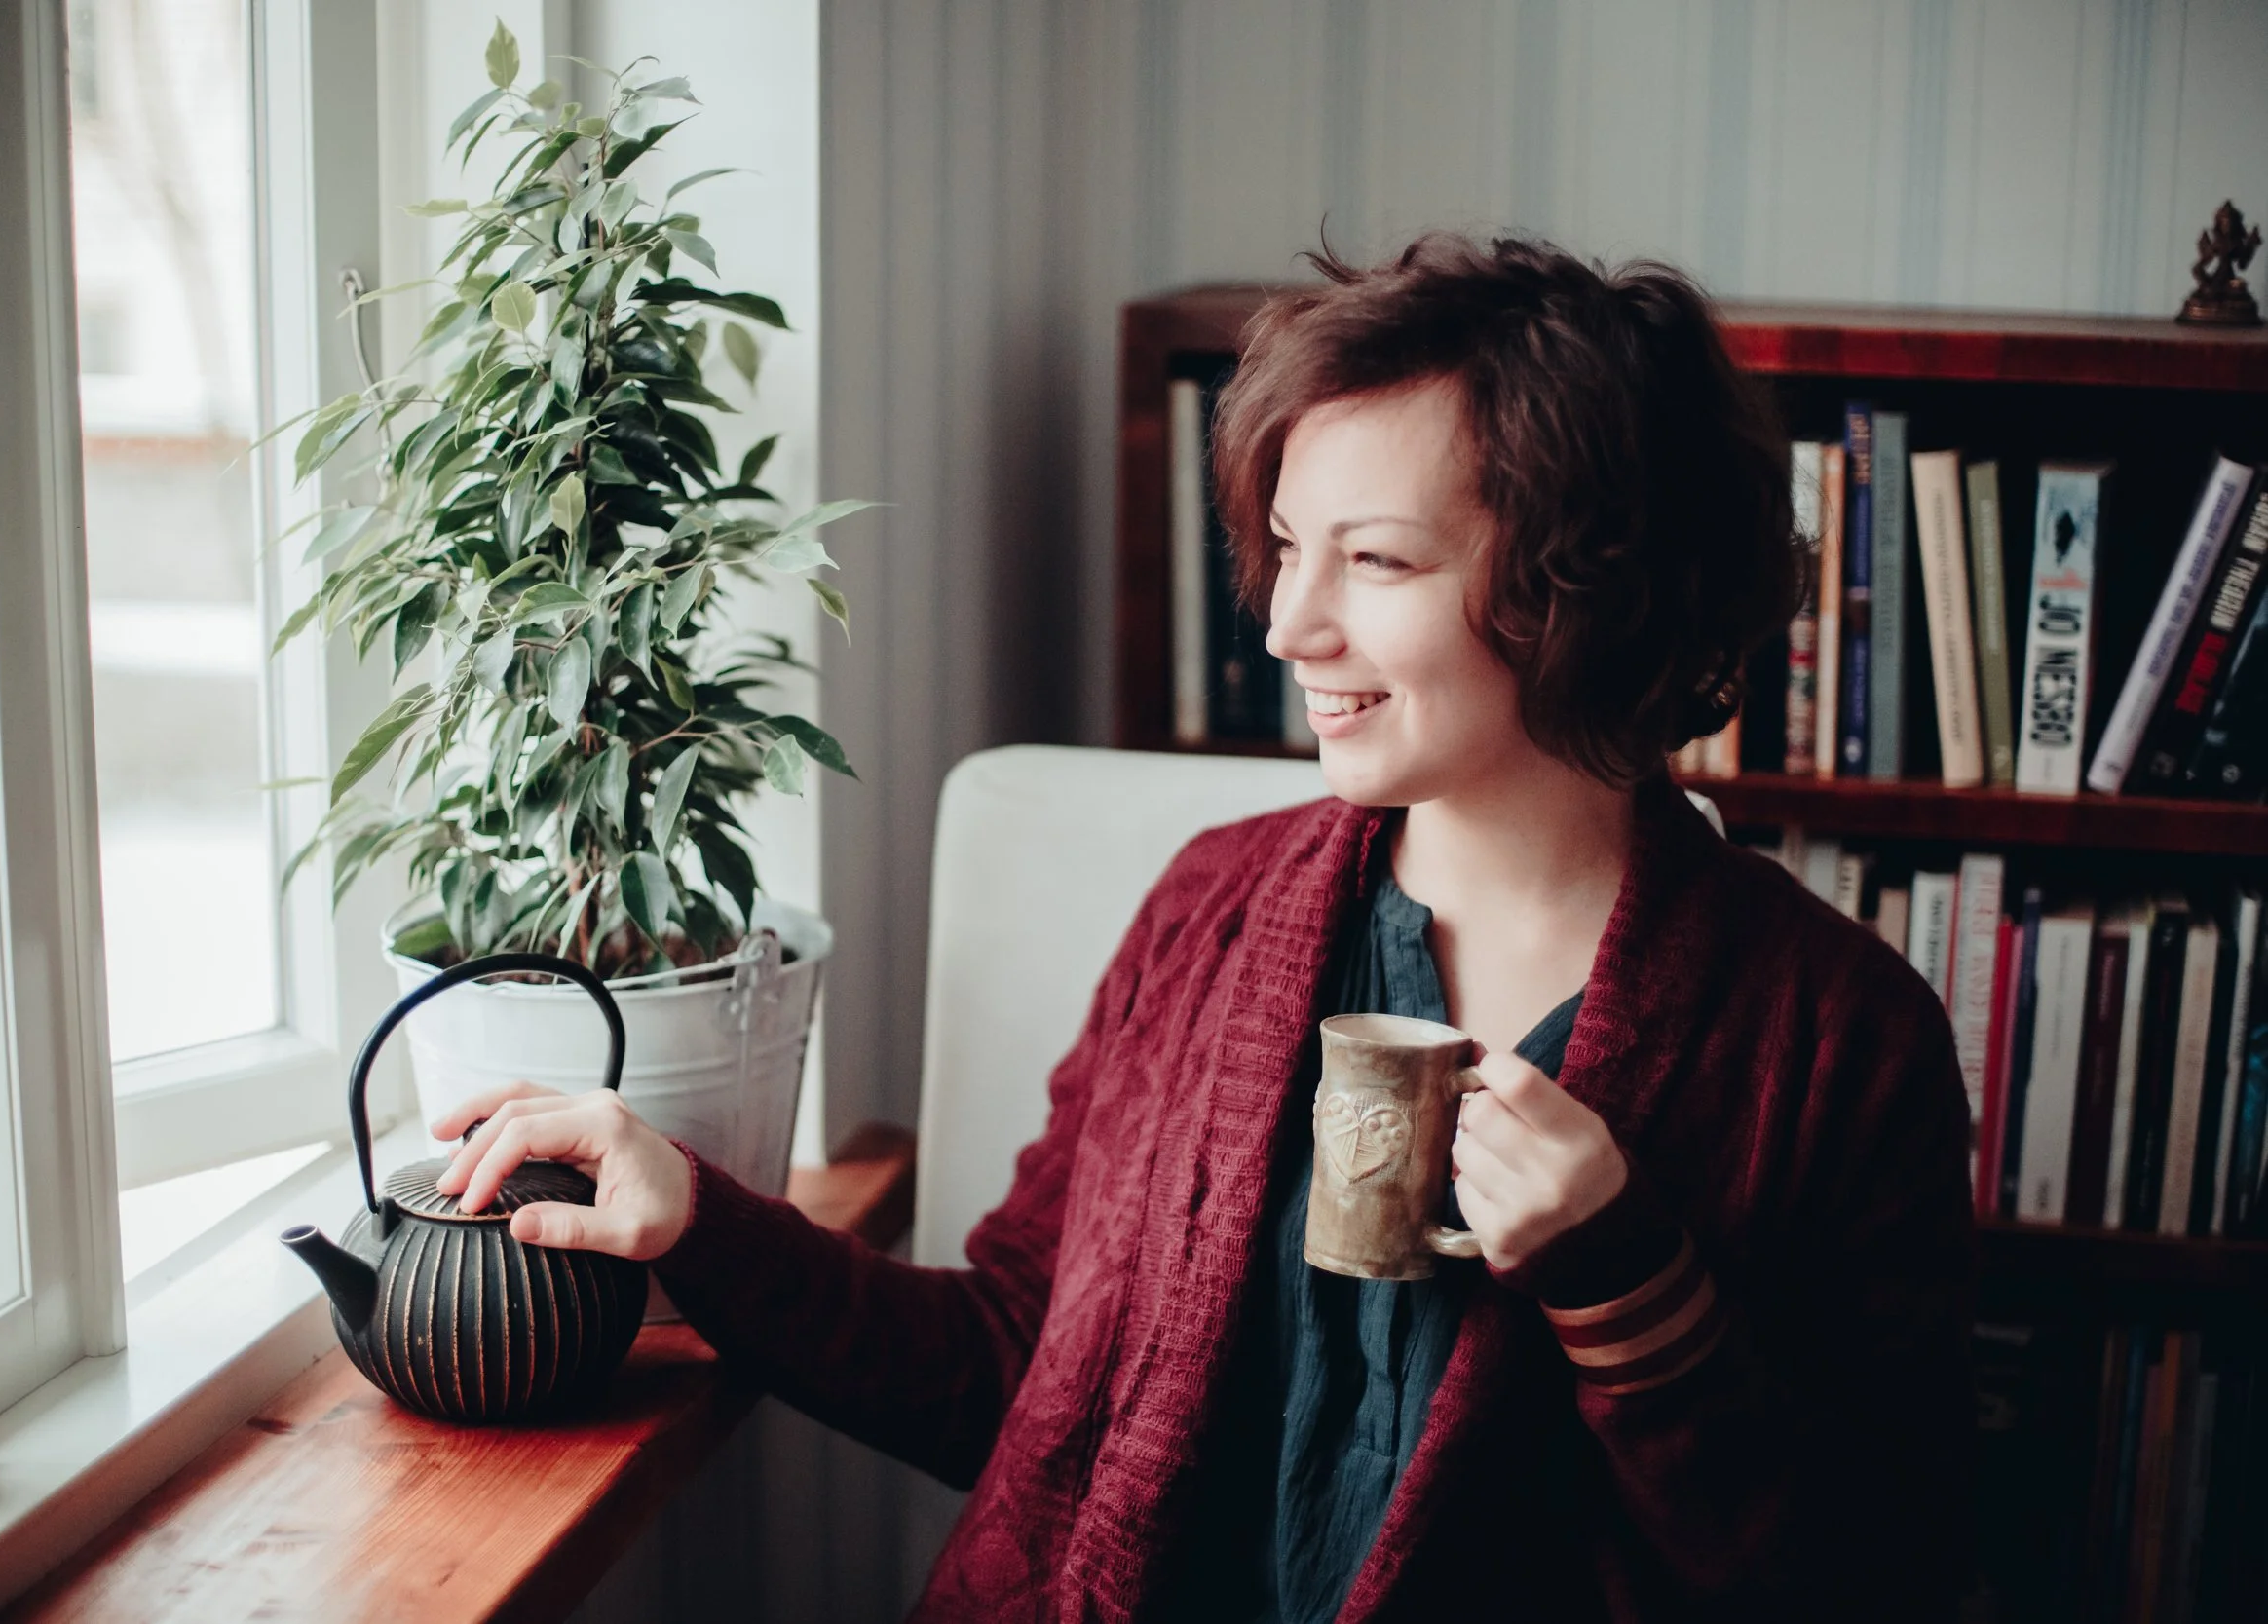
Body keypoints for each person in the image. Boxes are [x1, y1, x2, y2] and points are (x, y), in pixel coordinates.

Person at [431, 233, 1977, 1622]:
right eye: (1289, 547)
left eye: (1372, 559)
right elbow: (1015, 1370)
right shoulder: (1212, 916)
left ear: (1588, 584)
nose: (1290, 623)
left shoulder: (1840, 1036)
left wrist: (1634, 1290)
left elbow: (1871, 1573)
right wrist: (692, 1211)